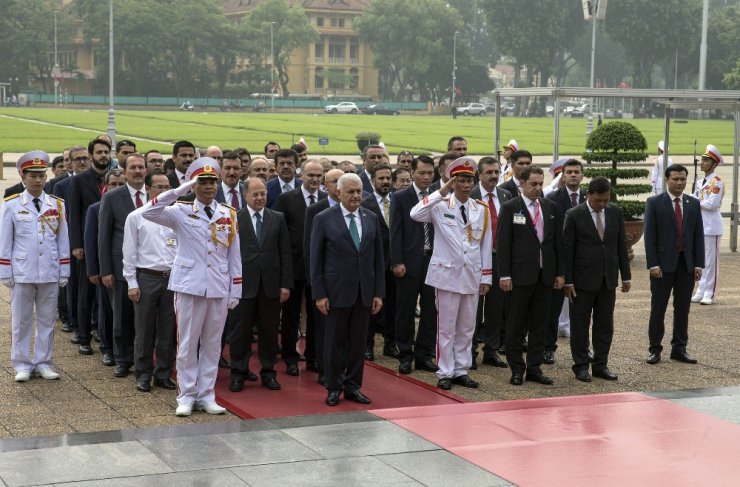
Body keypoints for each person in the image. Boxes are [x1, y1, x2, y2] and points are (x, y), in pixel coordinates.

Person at [142, 158, 241, 416]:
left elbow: (234, 256)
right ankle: (186, 395)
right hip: (189, 286)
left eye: (212, 182)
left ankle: (207, 394)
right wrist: (179, 190)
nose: (208, 187)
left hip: (218, 286)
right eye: (202, 183)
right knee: (187, 343)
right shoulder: (181, 210)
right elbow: (148, 211)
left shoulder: (227, 214)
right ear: (193, 185)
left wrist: (236, 289)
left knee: (212, 344)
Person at [410, 157, 492, 390]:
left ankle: (461, 369)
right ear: (452, 182)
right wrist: (441, 191)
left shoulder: (481, 210)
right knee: (446, 327)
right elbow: (415, 214)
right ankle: (444, 371)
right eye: (461, 180)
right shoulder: (440, 205)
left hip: (471, 276)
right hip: (447, 276)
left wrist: (486, 277)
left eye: (469, 180)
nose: (466, 185)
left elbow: (485, 245)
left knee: (467, 327)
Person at [310, 173, 385, 406]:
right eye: (350, 191)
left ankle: (353, 386)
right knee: (333, 342)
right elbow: (316, 258)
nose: (355, 196)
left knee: (357, 343)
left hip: (364, 291)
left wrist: (378, 292)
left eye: (358, 191)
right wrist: (320, 294)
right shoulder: (323, 218)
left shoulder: (371, 217)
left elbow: (378, 259)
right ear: (338, 192)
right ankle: (333, 387)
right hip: (335, 292)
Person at [0, 151, 70, 382]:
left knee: (47, 319)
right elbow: (5, 241)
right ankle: (21, 363)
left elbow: (62, 240)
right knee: (21, 320)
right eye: (33, 175)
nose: (38, 180)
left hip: (49, 269)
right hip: (23, 270)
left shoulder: (57, 204)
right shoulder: (11, 205)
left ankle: (43, 362)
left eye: (41, 175)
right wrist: (5, 271)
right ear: (23, 175)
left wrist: (64, 269)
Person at [497, 166, 564, 386]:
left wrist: (559, 273)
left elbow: (556, 243)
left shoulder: (551, 207)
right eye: (533, 184)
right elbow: (504, 245)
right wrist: (504, 275)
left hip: (544, 276)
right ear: (522, 184)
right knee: (516, 324)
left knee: (540, 324)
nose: (537, 188)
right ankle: (516, 367)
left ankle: (534, 367)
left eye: (540, 184)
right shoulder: (510, 208)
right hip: (519, 276)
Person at [563, 177, 631, 382]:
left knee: (604, 325)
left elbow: (620, 245)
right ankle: (581, 366)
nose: (602, 204)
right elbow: (568, 250)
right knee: (580, 325)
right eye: (598, 200)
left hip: (607, 279)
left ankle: (601, 365)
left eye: (606, 200)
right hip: (582, 280)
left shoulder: (615, 212)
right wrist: (568, 280)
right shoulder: (574, 215)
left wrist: (625, 275)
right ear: (588, 195)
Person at [229, 177, 292, 392]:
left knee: (269, 331)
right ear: (245, 195)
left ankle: (268, 372)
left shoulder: (277, 218)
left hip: (270, 285)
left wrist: (285, 284)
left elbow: (285, 253)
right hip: (242, 285)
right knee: (240, 332)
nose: (259, 198)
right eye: (255, 194)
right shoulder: (235, 218)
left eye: (263, 194)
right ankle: (238, 372)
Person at [122, 170, 177, 392]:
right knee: (144, 330)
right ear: (148, 189)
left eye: (167, 188)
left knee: (168, 329)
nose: (163, 192)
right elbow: (129, 253)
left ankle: (163, 373)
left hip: (171, 277)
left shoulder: (176, 215)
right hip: (147, 277)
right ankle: (143, 374)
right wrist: (132, 283)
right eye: (159, 187)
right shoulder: (137, 216)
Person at [644, 164, 704, 365]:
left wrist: (699, 264)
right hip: (662, 265)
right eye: (675, 179)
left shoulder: (693, 203)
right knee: (658, 308)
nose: (679, 183)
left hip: (686, 264)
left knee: (682, 309)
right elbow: (650, 236)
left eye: (683, 179)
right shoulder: (654, 203)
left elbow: (698, 236)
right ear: (667, 180)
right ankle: (655, 348)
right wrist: (653, 264)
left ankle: (679, 348)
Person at [275, 160, 326, 375]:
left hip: (318, 268)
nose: (314, 179)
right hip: (294, 266)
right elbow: (279, 234)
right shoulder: (286, 199)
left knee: (317, 315)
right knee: (291, 314)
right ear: (301, 175)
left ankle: (314, 356)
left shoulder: (325, 200)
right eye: (310, 175)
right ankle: (290, 357)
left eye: (318, 175)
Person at [99, 153, 148, 378]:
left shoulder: (156, 196)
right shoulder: (112, 198)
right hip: (120, 268)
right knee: (122, 317)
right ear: (125, 171)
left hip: (150, 268)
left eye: (141, 167)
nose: (138, 171)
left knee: (147, 318)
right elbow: (104, 236)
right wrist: (106, 270)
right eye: (133, 168)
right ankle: (123, 359)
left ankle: (145, 358)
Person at [390, 155, 439, 374]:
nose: (427, 177)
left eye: (430, 173)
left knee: (431, 309)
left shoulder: (440, 196)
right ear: (412, 173)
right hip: (409, 262)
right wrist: (397, 261)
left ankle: (424, 354)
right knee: (406, 310)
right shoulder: (401, 197)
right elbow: (396, 232)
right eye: (422, 173)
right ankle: (405, 353)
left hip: (434, 261)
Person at [68, 138, 111, 355]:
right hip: (88, 243)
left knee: (106, 295)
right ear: (92, 155)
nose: (104, 155)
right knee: (86, 293)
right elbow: (74, 214)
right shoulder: (79, 180)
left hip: (110, 243)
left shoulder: (114, 178)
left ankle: (104, 335)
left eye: (107, 151)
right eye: (100, 152)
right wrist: (76, 244)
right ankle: (83, 336)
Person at [303, 168, 345, 385]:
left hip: (346, 281)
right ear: (325, 185)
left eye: (342, 181)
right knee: (322, 327)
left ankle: (341, 366)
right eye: (334, 181)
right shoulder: (316, 210)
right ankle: (322, 366)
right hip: (324, 280)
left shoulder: (358, 208)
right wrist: (315, 281)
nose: (338, 185)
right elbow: (311, 249)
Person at [470, 157, 511, 369]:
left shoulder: (506, 196)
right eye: (489, 172)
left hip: (499, 259)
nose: (494, 176)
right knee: (473, 308)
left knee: (496, 308)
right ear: (480, 174)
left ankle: (491, 351)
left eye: (496, 172)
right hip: (475, 260)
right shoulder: (470, 196)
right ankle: (469, 352)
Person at [544, 159, 585, 364]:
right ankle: (548, 347)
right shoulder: (553, 198)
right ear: (563, 175)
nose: (573, 175)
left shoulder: (589, 197)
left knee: (582, 310)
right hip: (559, 260)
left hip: (583, 262)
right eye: (569, 172)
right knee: (553, 308)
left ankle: (582, 350)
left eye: (576, 171)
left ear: (582, 174)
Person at [85, 170, 125, 367]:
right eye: (114, 184)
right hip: (106, 268)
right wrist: (94, 270)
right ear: (105, 186)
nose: (117, 188)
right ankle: (107, 349)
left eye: (121, 184)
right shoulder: (95, 208)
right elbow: (92, 240)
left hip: (127, 268)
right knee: (106, 311)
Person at [361, 163, 398, 360]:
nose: (385, 182)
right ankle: (367, 344)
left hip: (395, 264)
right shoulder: (364, 204)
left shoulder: (397, 202)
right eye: (381, 178)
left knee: (392, 306)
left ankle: (390, 344)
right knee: (372, 308)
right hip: (373, 264)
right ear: (373, 181)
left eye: (387, 178)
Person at [692, 144, 724, 305]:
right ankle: (701, 289)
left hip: (712, 226)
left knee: (711, 262)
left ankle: (710, 293)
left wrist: (695, 200)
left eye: (706, 160)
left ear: (714, 164)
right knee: (701, 260)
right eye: (702, 160)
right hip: (701, 225)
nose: (702, 163)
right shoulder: (699, 182)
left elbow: (711, 204)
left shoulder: (717, 182)